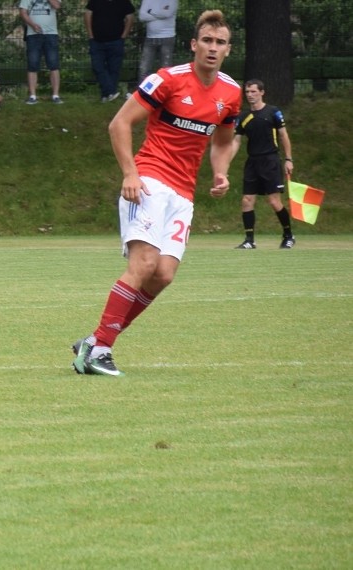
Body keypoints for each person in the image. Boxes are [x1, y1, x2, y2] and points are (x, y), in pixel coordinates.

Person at [72, 10, 241, 376]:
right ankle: (99, 350)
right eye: (207, 41)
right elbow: (119, 123)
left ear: (228, 49)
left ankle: (95, 340)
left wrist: (221, 172)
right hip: (149, 180)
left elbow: (225, 141)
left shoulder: (231, 92)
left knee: (162, 275)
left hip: (182, 195)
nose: (213, 48)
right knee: (143, 265)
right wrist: (130, 173)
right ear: (194, 45)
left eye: (220, 43)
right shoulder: (167, 80)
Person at [232, 79, 296, 249]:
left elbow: (283, 136)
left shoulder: (273, 112)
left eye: (253, 92)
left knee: (274, 201)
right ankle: (249, 240)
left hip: (270, 160)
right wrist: (224, 165)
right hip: (252, 162)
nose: (250, 95)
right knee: (247, 200)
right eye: (247, 92)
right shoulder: (243, 116)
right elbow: (236, 141)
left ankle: (288, 235)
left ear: (262, 92)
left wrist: (289, 159)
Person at [84, 0, 135, 103]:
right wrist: (90, 35)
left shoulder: (124, 2)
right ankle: (111, 92)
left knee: (114, 69)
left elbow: (130, 18)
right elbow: (87, 15)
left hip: (116, 41)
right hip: (97, 41)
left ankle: (106, 96)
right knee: (97, 67)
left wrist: (123, 36)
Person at [18, 0, 62, 105]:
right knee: (32, 64)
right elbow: (23, 12)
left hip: (51, 33)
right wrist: (32, 25)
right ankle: (32, 96)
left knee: (53, 64)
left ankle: (55, 95)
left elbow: (57, 6)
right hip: (33, 34)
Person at [135, 0, 178, 93]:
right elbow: (142, 16)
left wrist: (150, 12)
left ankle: (166, 93)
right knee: (144, 68)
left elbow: (167, 13)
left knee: (166, 69)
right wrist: (159, 13)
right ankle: (141, 93)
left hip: (167, 37)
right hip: (150, 38)